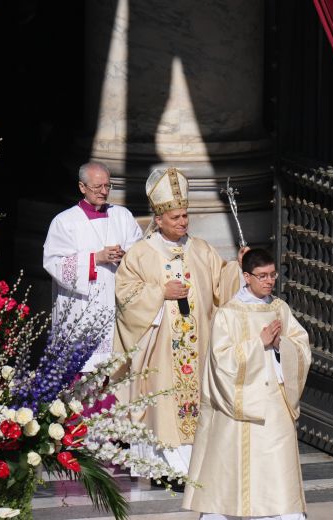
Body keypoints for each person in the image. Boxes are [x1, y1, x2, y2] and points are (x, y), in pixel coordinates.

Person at [113, 166, 247, 477]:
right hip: (160, 352)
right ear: (158, 219)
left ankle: (197, 467)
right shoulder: (141, 254)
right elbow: (125, 295)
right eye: (176, 217)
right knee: (163, 407)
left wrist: (239, 268)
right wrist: (160, 292)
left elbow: (220, 288)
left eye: (185, 215)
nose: (183, 222)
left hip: (197, 350)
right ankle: (164, 468)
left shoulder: (200, 249)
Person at [183, 248, 311, 520]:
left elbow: (301, 346)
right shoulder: (228, 314)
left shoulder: (280, 308)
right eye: (262, 276)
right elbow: (220, 360)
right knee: (232, 470)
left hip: (275, 402)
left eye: (272, 275)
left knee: (277, 469)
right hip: (237, 406)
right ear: (246, 277)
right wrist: (258, 344)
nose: (269, 281)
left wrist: (281, 346)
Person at [43, 161, 143, 372]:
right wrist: (95, 258)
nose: (104, 191)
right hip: (81, 306)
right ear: (82, 187)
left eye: (108, 186)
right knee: (83, 375)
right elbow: (53, 262)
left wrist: (125, 256)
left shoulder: (122, 216)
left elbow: (140, 252)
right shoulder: (64, 221)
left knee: (115, 371)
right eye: (98, 187)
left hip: (115, 304)